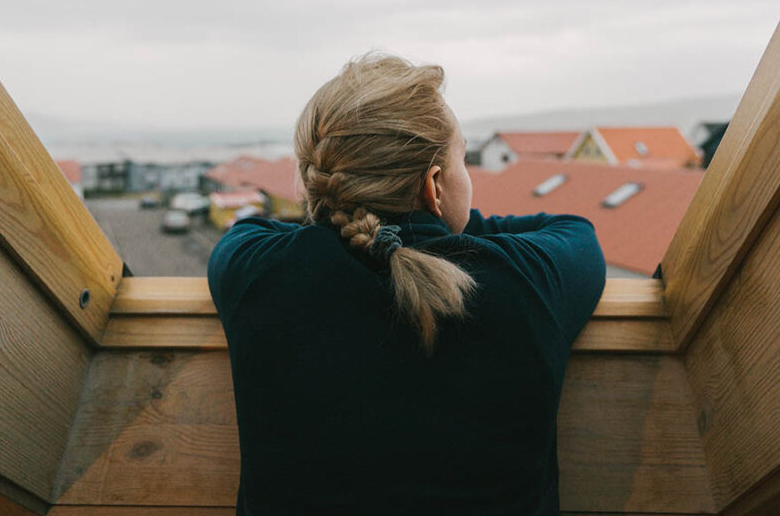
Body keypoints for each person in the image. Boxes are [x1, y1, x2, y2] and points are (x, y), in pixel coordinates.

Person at [208, 54, 606, 515]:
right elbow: (573, 232)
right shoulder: (527, 281)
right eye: (461, 164)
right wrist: (444, 229)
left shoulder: (257, 271)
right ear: (434, 186)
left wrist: (363, 222)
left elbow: (257, 232)